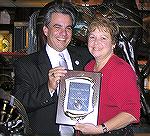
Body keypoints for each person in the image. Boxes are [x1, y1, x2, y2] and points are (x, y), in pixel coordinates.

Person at [11, 2, 92, 136]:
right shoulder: (26, 64)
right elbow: (19, 103)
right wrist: (48, 88)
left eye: (68, 28)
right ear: (46, 30)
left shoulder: (86, 57)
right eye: (57, 27)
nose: (64, 33)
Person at [74, 16, 141, 135]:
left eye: (103, 38)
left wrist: (101, 128)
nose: (96, 43)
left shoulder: (121, 70)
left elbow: (132, 113)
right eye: (92, 37)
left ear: (113, 43)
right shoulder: (89, 67)